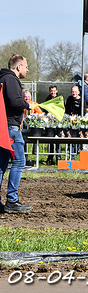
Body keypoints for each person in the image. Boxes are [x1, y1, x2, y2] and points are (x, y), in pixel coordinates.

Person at [0, 55, 33, 213]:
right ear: (18, 67)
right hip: (12, 127)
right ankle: (12, 201)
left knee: (1, 165)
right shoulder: (12, 80)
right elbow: (15, 102)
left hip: (3, 127)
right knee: (19, 162)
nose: (27, 70)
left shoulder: (3, 78)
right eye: (26, 66)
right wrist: (28, 105)